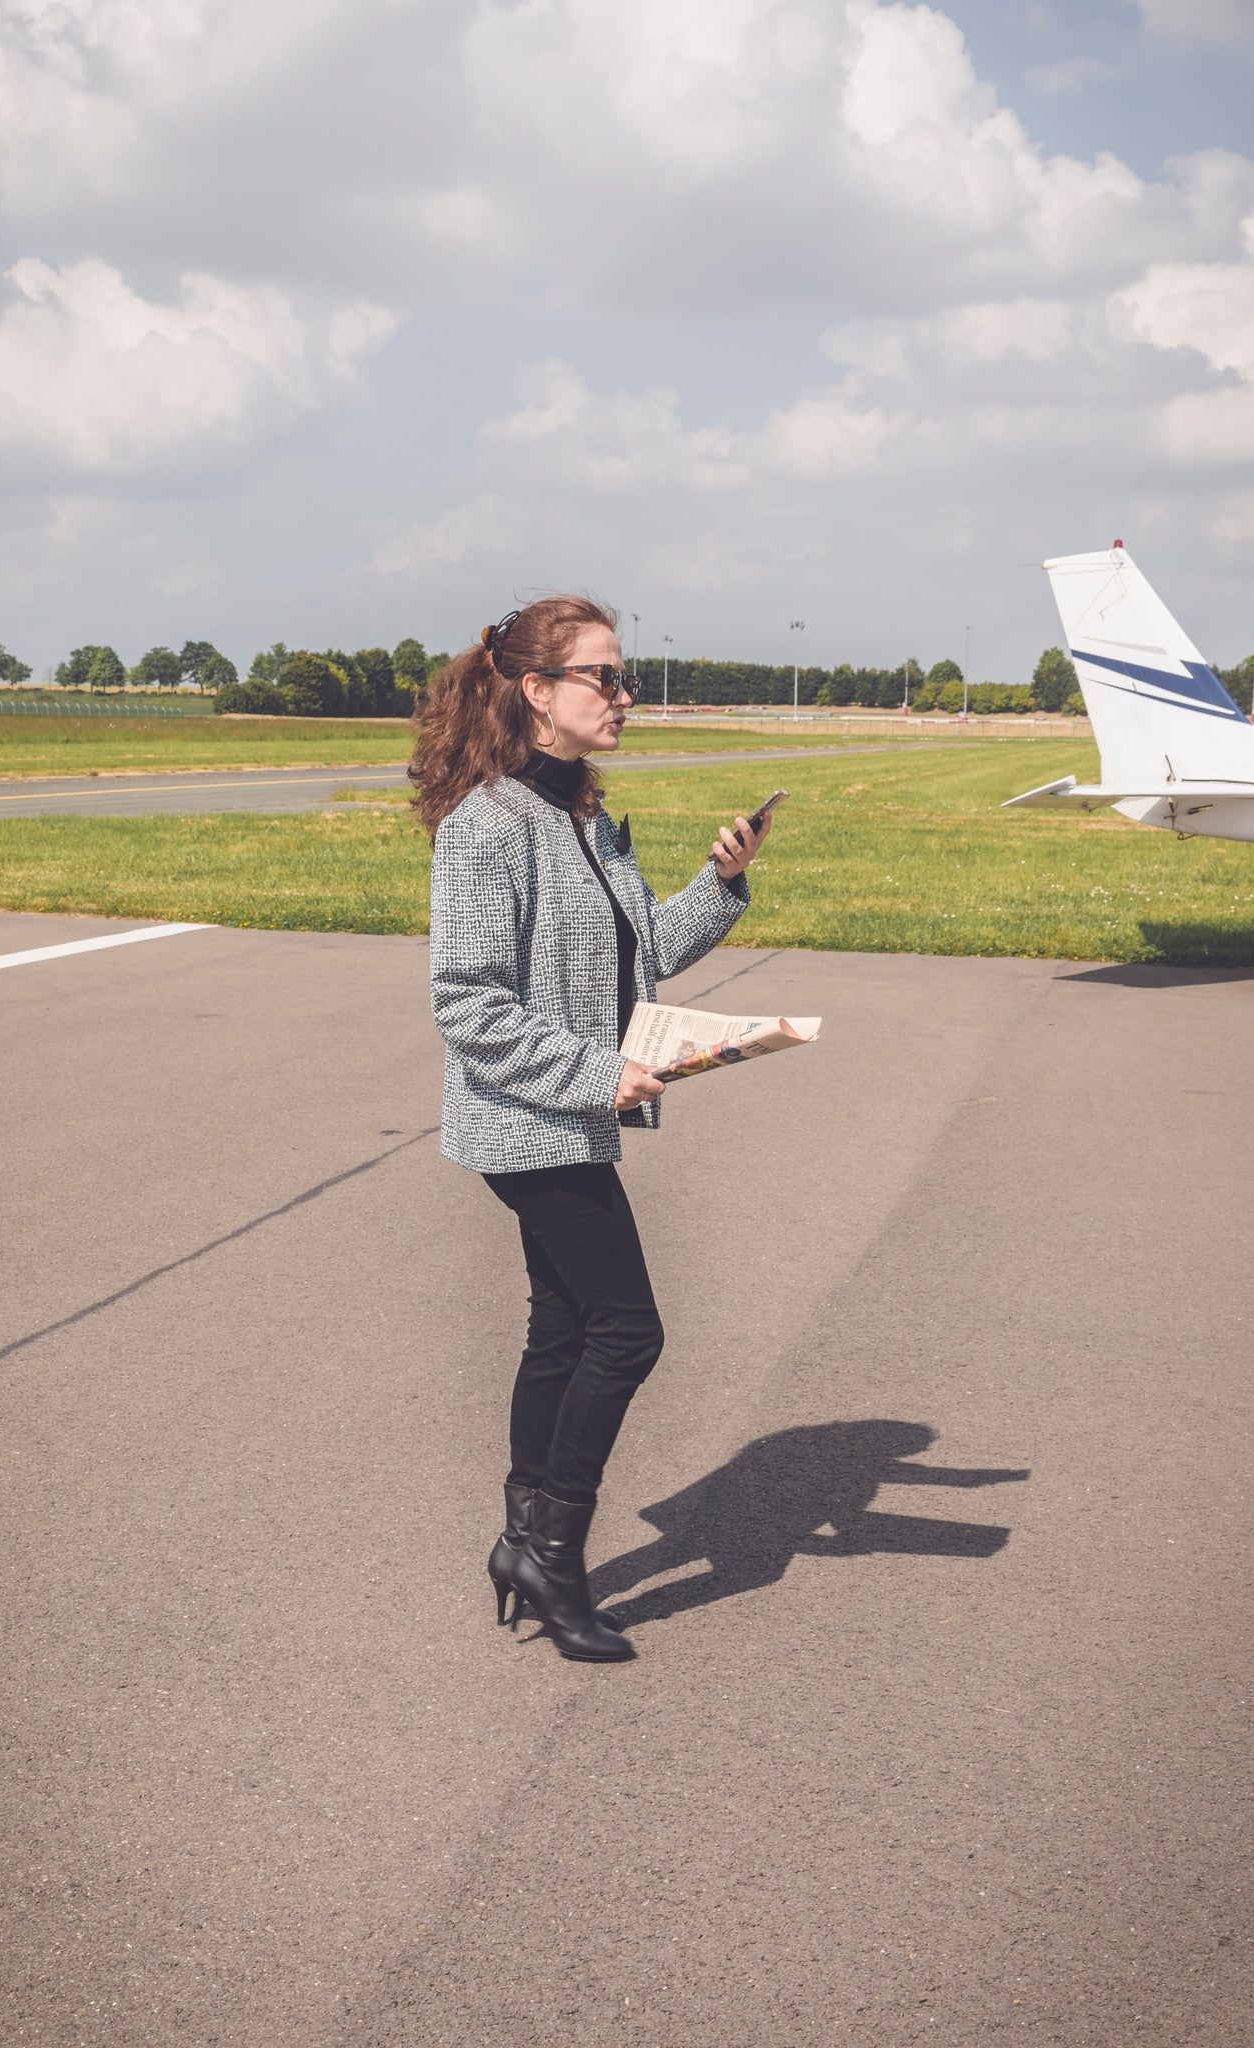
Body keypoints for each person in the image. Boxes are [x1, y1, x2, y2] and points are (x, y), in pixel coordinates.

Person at [411, 597, 770, 1663]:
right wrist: (593, 1073)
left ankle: (525, 1535)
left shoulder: (579, 815)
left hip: (569, 1109)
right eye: (604, 676)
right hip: (529, 1120)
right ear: (535, 691)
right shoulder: (488, 826)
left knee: (564, 1325)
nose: (626, 695)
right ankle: (552, 1554)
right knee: (629, 1329)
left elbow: (635, 954)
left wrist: (723, 882)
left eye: (625, 674)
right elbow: (467, 1002)